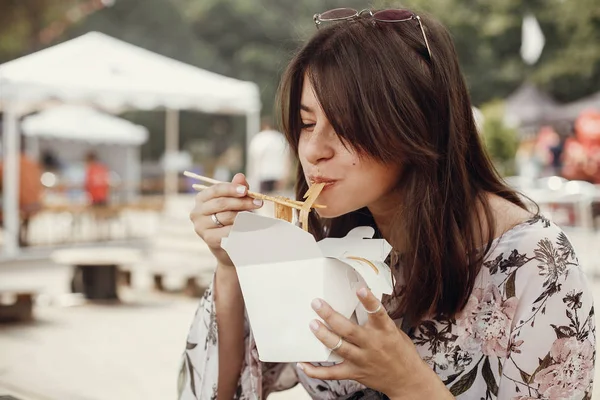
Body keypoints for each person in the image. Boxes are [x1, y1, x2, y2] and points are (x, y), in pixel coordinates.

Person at [182, 8, 595, 400]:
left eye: (344, 125)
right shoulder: (320, 240)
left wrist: (407, 381)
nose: (313, 150)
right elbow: (219, 390)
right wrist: (230, 264)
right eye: (307, 123)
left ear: (415, 124)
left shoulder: (533, 261)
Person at [0, 141, 43, 247]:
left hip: (18, 204)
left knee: (5, 212)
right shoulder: (33, 164)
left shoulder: (6, 163)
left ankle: (16, 236)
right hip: (34, 204)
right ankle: (21, 237)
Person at [247, 116, 291, 193]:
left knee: (265, 200)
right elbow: (287, 158)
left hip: (263, 175)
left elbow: (255, 159)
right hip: (278, 174)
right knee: (278, 200)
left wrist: (253, 176)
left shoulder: (259, 138)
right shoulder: (280, 138)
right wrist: (286, 174)